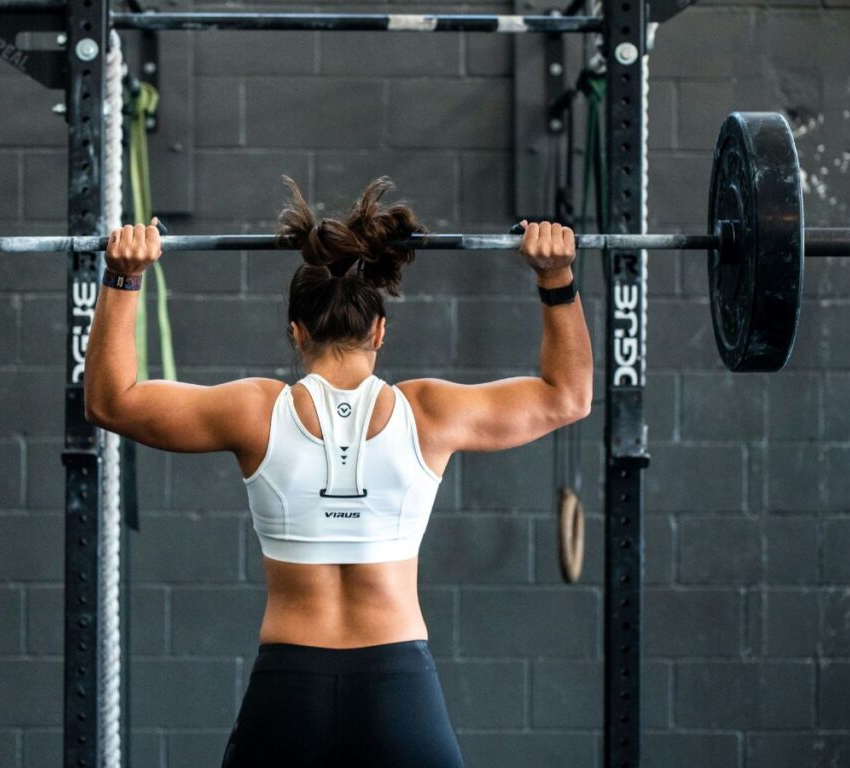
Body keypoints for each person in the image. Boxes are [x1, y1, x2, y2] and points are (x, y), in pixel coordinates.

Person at [84, 177, 592, 767]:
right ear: (379, 330)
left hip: (288, 690)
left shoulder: (256, 412)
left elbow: (110, 402)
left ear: (295, 331)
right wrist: (556, 279)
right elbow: (568, 397)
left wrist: (125, 278)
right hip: (400, 688)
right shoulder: (430, 413)